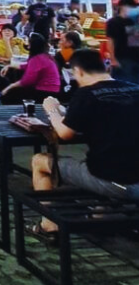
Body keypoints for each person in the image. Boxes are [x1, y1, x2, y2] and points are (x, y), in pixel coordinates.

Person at [26, 50, 139, 242]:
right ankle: (103, 217)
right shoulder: (134, 89)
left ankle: (49, 226)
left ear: (77, 71)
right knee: (104, 159)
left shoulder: (86, 94)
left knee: (40, 161)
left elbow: (65, 133)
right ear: (107, 67)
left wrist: (52, 110)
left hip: (115, 182)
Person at [0, 33, 60, 105]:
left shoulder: (37, 59)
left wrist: (10, 87)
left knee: (10, 94)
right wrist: (10, 66)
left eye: (29, 43)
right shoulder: (44, 56)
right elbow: (28, 67)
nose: (27, 45)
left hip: (45, 91)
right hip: (52, 90)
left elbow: (27, 81)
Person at [105, 0, 139, 85]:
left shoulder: (135, 21)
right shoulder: (113, 22)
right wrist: (113, 59)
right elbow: (110, 41)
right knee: (123, 84)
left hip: (136, 58)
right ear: (122, 7)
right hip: (122, 59)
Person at [55, 31, 83, 98]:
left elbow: (57, 71)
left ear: (70, 43)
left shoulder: (61, 54)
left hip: (65, 86)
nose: (60, 42)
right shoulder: (83, 53)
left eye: (62, 40)